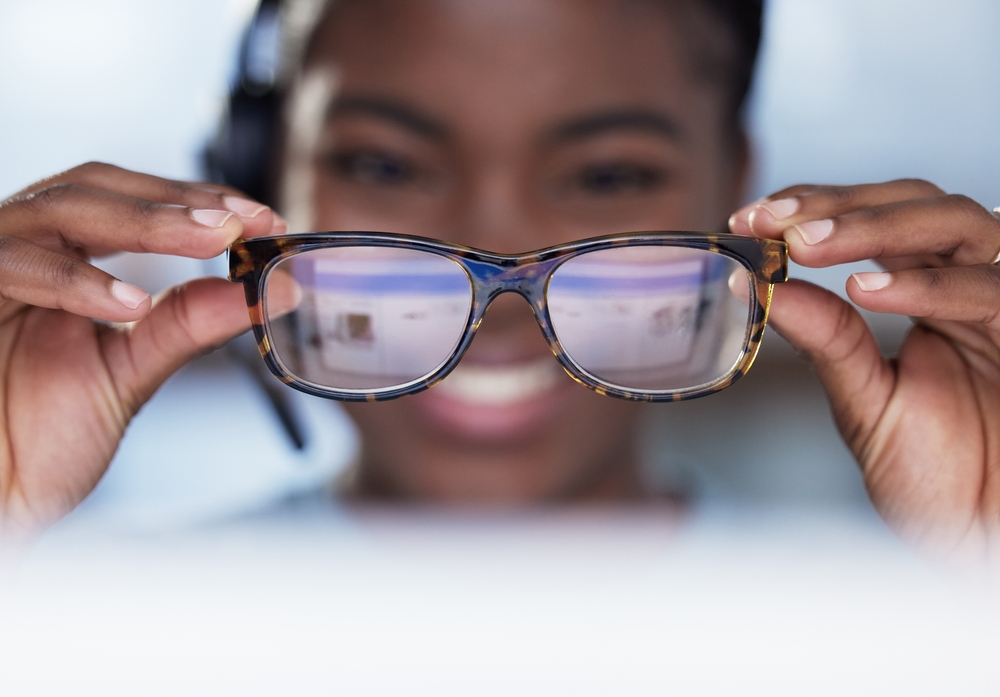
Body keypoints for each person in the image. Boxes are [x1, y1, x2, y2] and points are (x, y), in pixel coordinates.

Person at [0, 0, 998, 563]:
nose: (496, 279)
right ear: (263, 184)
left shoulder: (905, 621)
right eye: (386, 166)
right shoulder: (85, 620)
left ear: (734, 194)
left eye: (608, 176)